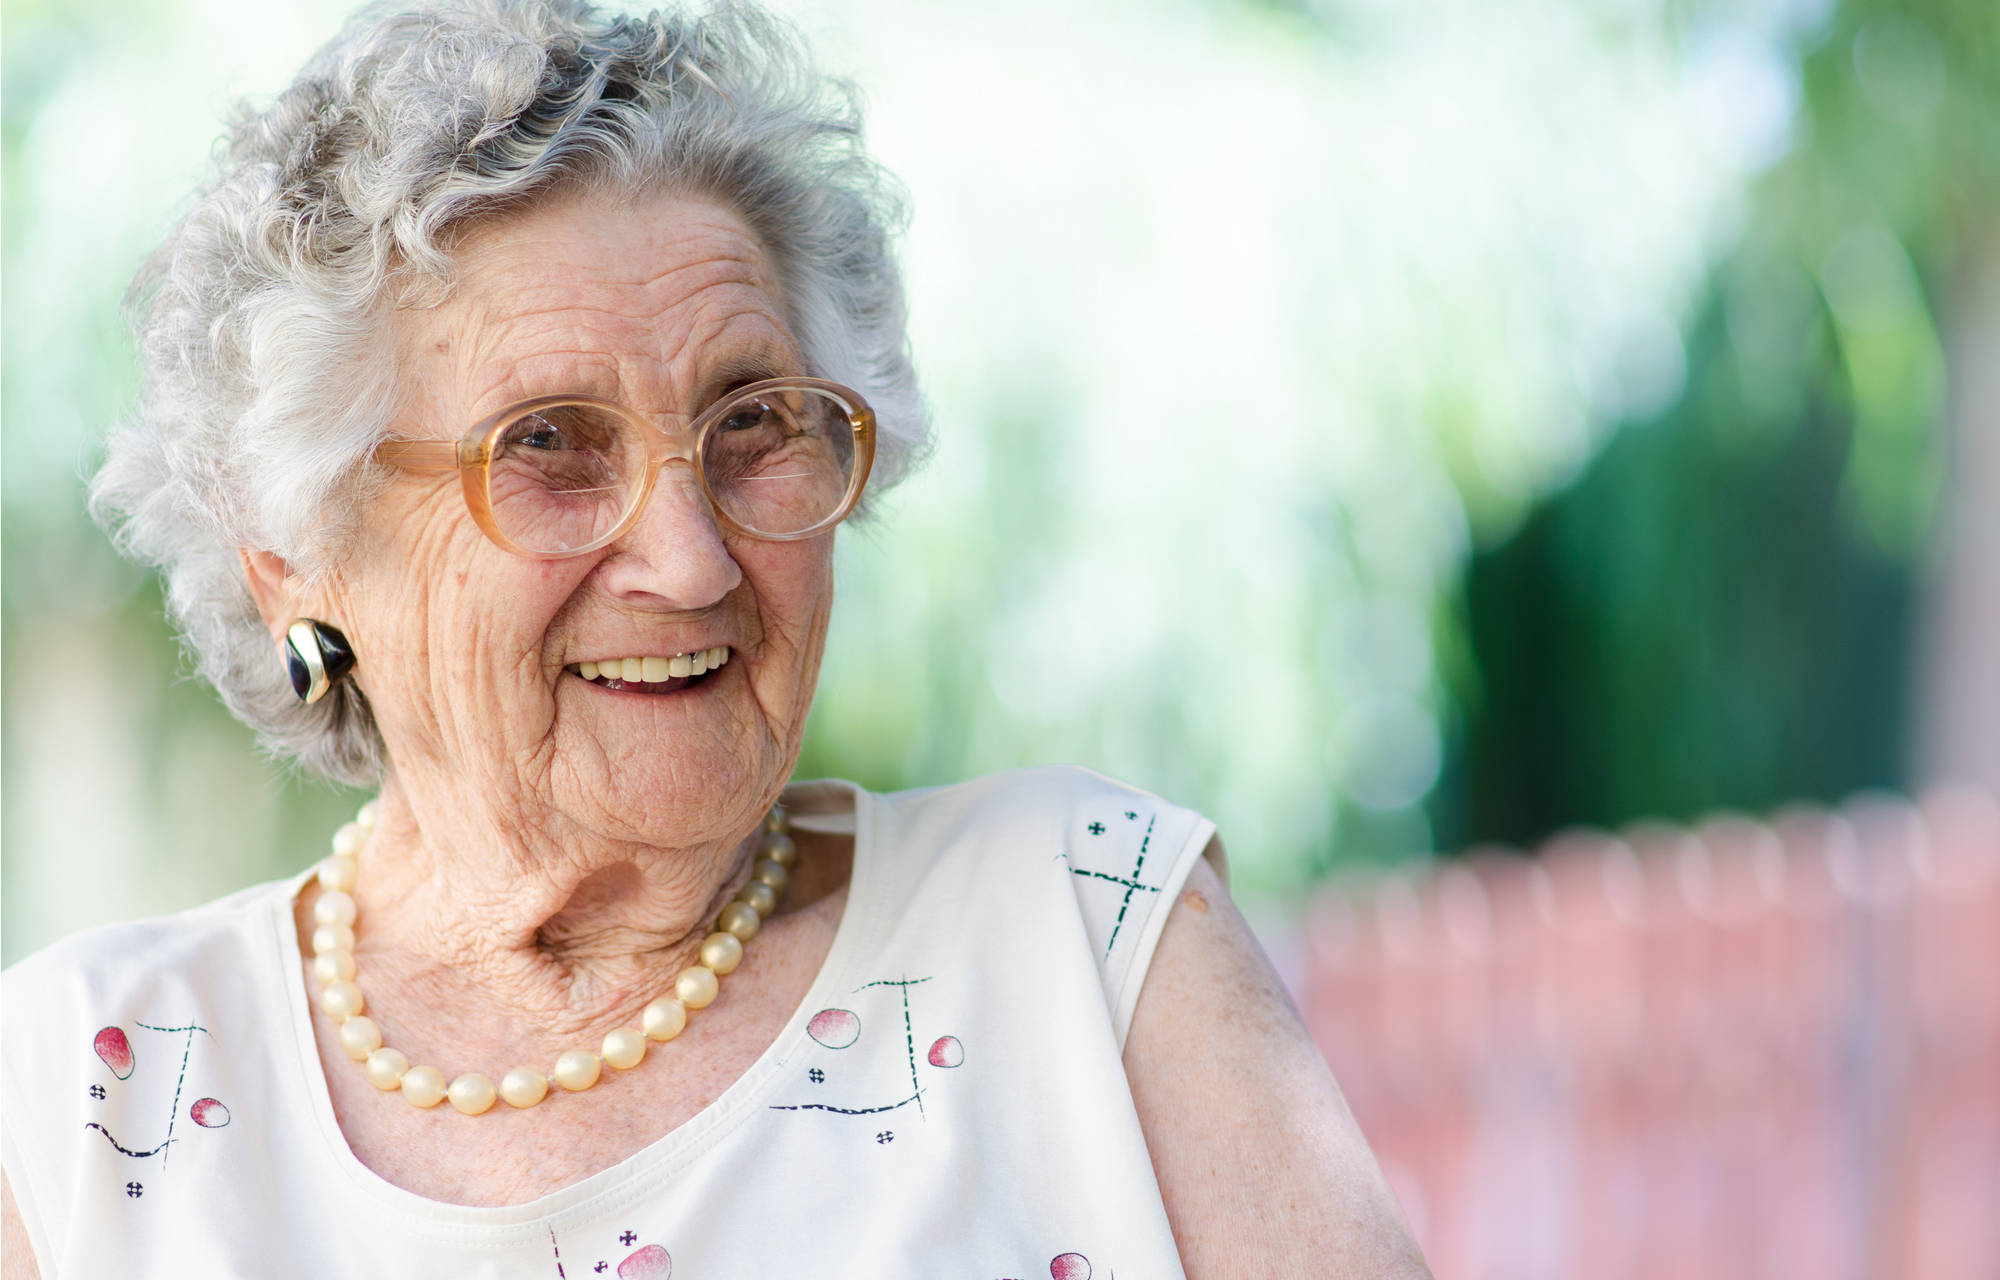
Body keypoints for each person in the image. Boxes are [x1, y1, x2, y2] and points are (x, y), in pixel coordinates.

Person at [0, 2, 1429, 1275]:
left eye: (752, 424)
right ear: (297, 567)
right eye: (548, 447)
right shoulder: (72, 1104)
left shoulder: (1086, 930)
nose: (690, 562)